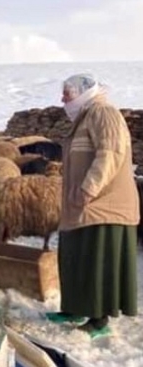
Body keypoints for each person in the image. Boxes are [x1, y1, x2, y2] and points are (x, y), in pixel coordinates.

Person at [46, 74, 139, 338]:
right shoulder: (85, 117)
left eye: (67, 94)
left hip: (104, 205)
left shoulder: (103, 113)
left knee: (97, 260)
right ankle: (76, 307)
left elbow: (111, 152)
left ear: (82, 93)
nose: (63, 99)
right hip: (83, 205)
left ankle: (99, 321)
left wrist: (89, 187)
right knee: (76, 257)